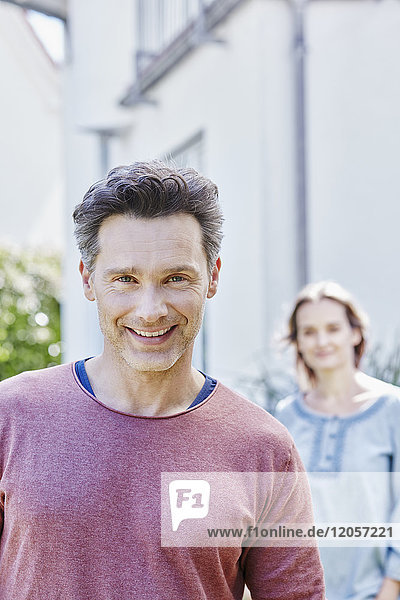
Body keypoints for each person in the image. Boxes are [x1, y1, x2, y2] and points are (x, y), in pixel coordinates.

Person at [0, 161, 324, 599]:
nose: (150, 309)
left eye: (175, 277)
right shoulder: (12, 415)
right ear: (87, 279)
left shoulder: (263, 448)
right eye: (125, 279)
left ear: (211, 277)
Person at [275, 280, 400, 600]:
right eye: (309, 331)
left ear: (355, 333)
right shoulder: (286, 414)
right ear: (298, 342)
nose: (322, 341)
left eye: (332, 328)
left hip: (376, 592)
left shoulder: (392, 408)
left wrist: (391, 587)